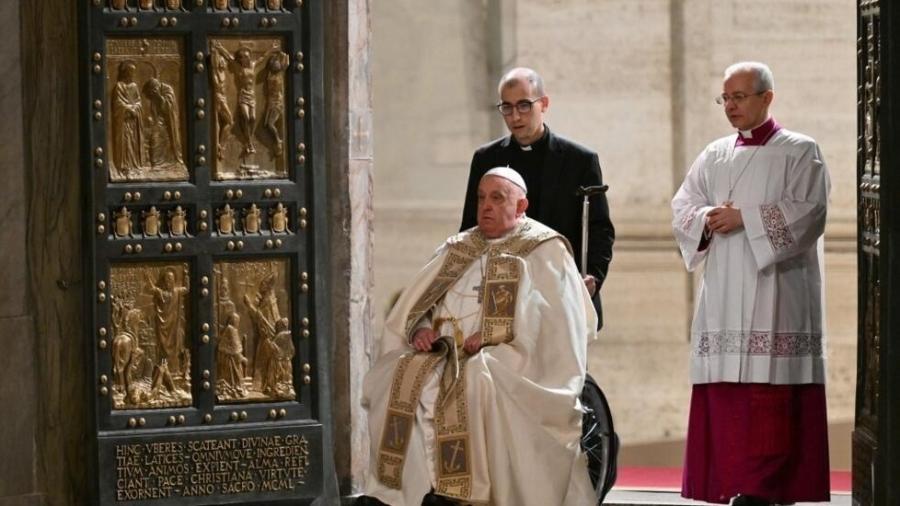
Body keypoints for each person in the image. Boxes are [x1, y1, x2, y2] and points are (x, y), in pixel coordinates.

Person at [360, 168, 597, 506]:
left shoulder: (544, 250)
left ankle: (465, 493)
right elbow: (419, 302)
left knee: (476, 379)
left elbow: (555, 323)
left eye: (497, 198)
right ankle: (398, 494)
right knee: (399, 375)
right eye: (481, 198)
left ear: (521, 206)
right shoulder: (459, 247)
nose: (485, 206)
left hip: (509, 356)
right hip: (442, 353)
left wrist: (491, 337)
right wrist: (421, 328)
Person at [671, 61, 831, 506]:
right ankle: (729, 483)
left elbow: (810, 212)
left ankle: (769, 490)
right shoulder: (714, 153)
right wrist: (706, 218)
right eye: (725, 98)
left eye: (740, 96)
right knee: (729, 398)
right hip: (724, 290)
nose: (731, 106)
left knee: (770, 401)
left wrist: (746, 218)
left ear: (767, 98)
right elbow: (684, 205)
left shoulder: (801, 151)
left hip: (776, 291)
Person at [460, 67, 614, 328]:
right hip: (503, 295)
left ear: (543, 103)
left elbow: (600, 229)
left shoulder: (580, 160)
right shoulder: (487, 159)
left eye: (524, 105)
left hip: (562, 295)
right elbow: (471, 226)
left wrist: (594, 278)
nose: (515, 116)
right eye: (506, 108)